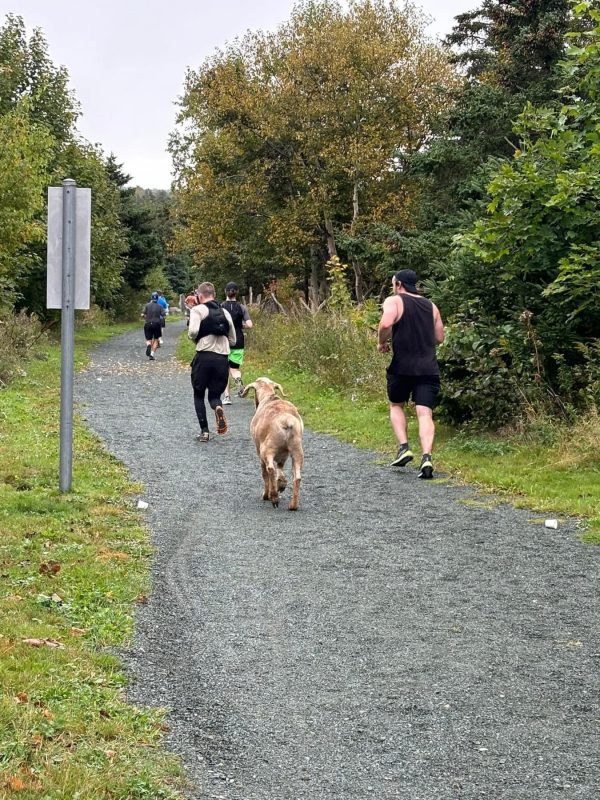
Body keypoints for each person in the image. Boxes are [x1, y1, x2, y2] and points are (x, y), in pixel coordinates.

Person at [377, 269, 445, 479]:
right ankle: (427, 457)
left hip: (402, 367)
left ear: (399, 285)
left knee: (396, 404)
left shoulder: (394, 301)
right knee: (425, 413)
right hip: (428, 368)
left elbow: (386, 323)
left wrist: (382, 342)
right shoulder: (431, 306)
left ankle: (404, 447)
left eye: (393, 284)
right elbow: (440, 337)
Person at [188, 282, 236, 442]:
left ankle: (205, 432)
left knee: (198, 394)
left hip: (204, 357)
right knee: (215, 396)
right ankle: (218, 407)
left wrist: (195, 338)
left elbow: (193, 331)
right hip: (222, 359)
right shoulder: (225, 312)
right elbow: (233, 340)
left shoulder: (197, 310)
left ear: (200, 296)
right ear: (214, 294)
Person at [220, 281, 253, 404]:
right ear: (237, 292)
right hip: (238, 341)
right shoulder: (242, 307)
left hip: (224, 341)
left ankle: (227, 397)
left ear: (225, 292)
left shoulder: (221, 307)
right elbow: (250, 325)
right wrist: (240, 325)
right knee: (234, 368)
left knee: (224, 370)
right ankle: (238, 379)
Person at [142, 292, 164, 360]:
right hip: (156, 324)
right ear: (157, 299)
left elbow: (143, 314)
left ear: (151, 298)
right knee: (156, 340)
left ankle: (148, 345)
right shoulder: (160, 306)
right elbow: (163, 315)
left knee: (149, 339)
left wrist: (145, 317)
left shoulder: (147, 305)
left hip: (148, 323)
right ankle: (151, 354)